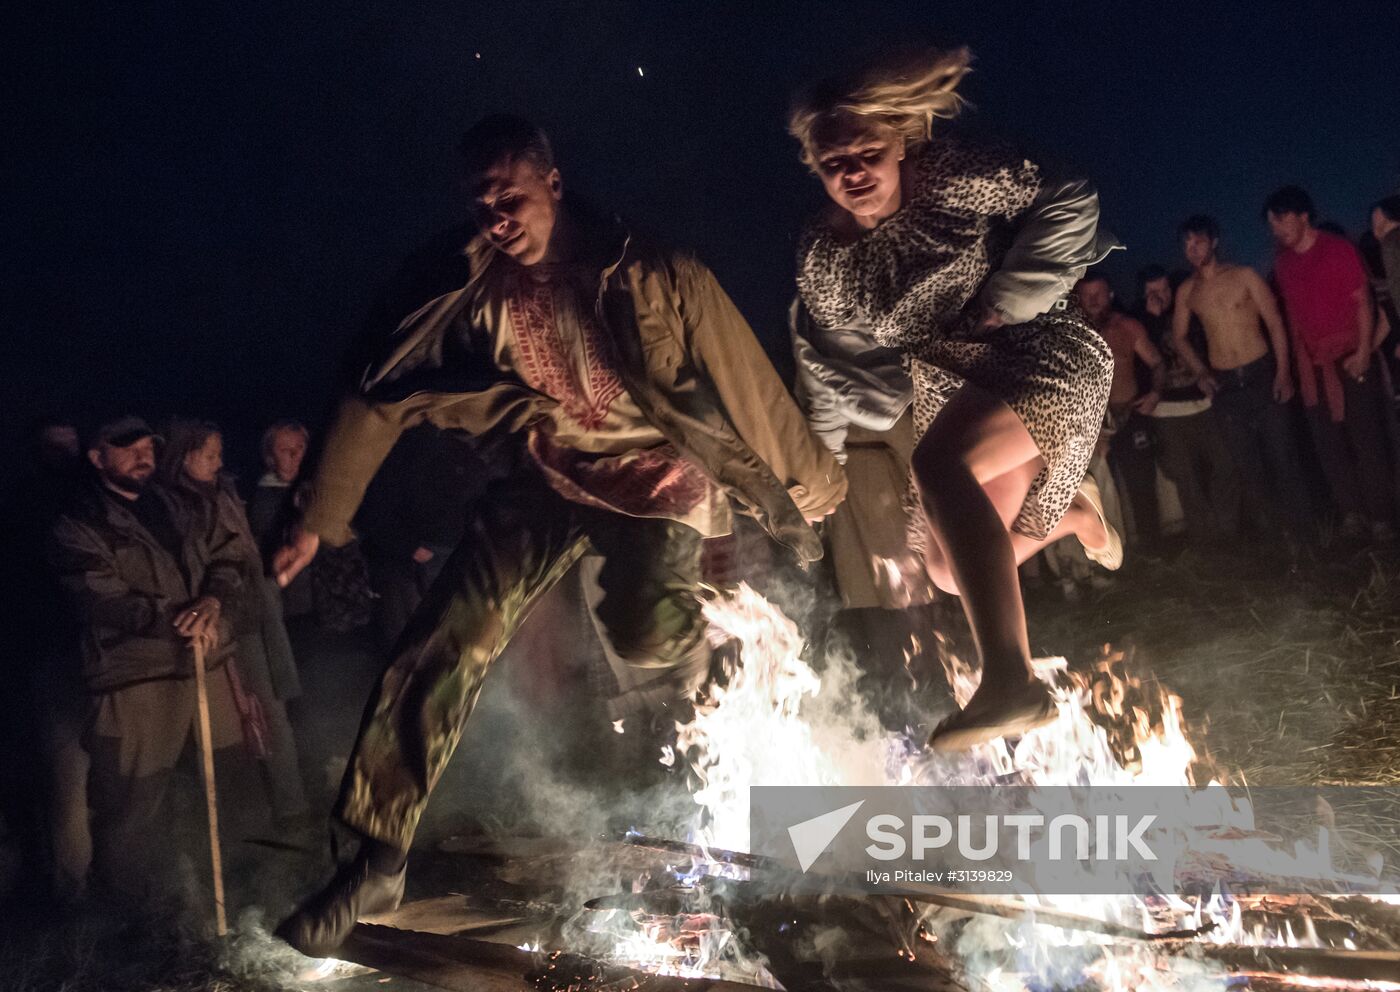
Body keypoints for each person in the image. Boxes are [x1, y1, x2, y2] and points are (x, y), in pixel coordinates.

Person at [272, 114, 846, 955]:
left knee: (645, 633)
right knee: (442, 638)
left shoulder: (652, 270)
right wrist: (318, 521)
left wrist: (809, 485)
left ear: (552, 183)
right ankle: (373, 857)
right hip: (546, 477)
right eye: (482, 203)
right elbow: (378, 387)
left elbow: (744, 377)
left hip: (657, 481)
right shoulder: (454, 281)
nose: (498, 217)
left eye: (511, 197)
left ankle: (712, 634)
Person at [789, 48, 1120, 753]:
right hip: (954, 392)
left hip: (1038, 350)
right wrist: (824, 450)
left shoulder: (951, 174)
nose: (852, 174)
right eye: (833, 163)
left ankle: (1012, 679)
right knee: (943, 569)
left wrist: (1008, 299)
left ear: (899, 142)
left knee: (941, 468)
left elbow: (1070, 192)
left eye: (866, 153)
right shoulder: (823, 257)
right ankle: (1073, 518)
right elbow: (825, 359)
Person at [47, 417, 245, 899]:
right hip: (135, 678)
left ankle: (244, 899)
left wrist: (214, 601)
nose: (143, 454)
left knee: (232, 785)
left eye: (148, 445)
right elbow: (99, 597)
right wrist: (182, 616)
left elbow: (229, 554)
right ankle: (128, 917)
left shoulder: (178, 504)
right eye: (126, 446)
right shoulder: (78, 521)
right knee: (133, 804)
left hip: (207, 662)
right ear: (96, 458)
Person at [159, 420, 311, 830]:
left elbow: (239, 550)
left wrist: (267, 570)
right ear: (184, 455)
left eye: (219, 454)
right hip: (220, 622)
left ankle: (289, 806)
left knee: (273, 705)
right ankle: (253, 814)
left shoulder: (222, 492)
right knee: (246, 715)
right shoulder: (171, 503)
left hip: (253, 606)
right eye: (210, 455)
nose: (219, 462)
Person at [1171, 214, 1312, 545]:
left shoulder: (1244, 276)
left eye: (1198, 241)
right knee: (1246, 466)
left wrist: (1282, 372)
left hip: (1261, 374)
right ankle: (1274, 536)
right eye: (1186, 244)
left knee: (1283, 458)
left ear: (1214, 241)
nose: (1192, 249)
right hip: (1226, 386)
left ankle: (1306, 535)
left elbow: (1276, 322)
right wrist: (1202, 372)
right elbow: (1179, 337)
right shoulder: (1188, 291)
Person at [1266, 186, 1396, 542]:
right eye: (1271, 223)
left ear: (1303, 215)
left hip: (1352, 357)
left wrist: (1365, 353)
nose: (1276, 228)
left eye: (1281, 219)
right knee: (1329, 446)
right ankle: (1352, 514)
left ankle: (1382, 517)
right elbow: (1293, 316)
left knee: (1366, 440)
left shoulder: (1337, 249)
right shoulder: (1283, 263)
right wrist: (1294, 368)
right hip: (1315, 367)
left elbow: (1363, 303)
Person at [1133, 266, 1240, 544]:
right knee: (1185, 476)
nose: (1159, 297)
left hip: (1203, 403)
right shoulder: (1139, 323)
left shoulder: (1189, 314)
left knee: (1225, 463)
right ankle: (1205, 537)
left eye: (1163, 290)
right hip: (1167, 412)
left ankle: (1227, 527)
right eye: (1152, 292)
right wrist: (1153, 321)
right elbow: (1146, 362)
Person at [1076, 273, 1166, 549]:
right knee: (1099, 492)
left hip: (1129, 416)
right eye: (1087, 295)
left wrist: (1155, 393)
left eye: (1099, 294)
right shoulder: (1073, 334)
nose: (1093, 300)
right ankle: (1109, 552)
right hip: (1091, 426)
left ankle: (1153, 549)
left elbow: (1157, 364)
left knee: (1141, 485)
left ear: (1111, 295)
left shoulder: (1127, 327)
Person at [249, 421, 314, 619]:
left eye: (299, 447)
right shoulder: (260, 498)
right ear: (270, 457)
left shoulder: (319, 491)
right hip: (288, 602)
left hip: (327, 602)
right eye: (285, 449)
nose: (294, 455)